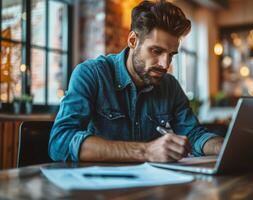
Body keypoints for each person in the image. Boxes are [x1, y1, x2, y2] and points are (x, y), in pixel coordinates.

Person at [49, 0, 224, 163]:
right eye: (156, 51)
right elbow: (60, 142)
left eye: (171, 55)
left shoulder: (170, 86)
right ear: (133, 40)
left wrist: (222, 146)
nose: (165, 64)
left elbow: (194, 135)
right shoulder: (91, 74)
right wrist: (145, 151)